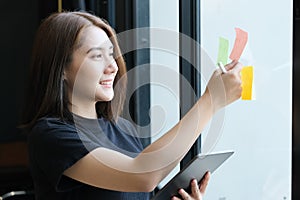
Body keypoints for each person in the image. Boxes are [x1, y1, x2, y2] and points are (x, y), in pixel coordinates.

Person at [22, 11, 242, 200]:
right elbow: (143, 175)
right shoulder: (51, 135)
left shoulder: (122, 130)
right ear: (61, 69)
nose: (112, 66)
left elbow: (144, 187)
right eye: (97, 56)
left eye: (112, 55)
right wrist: (211, 101)